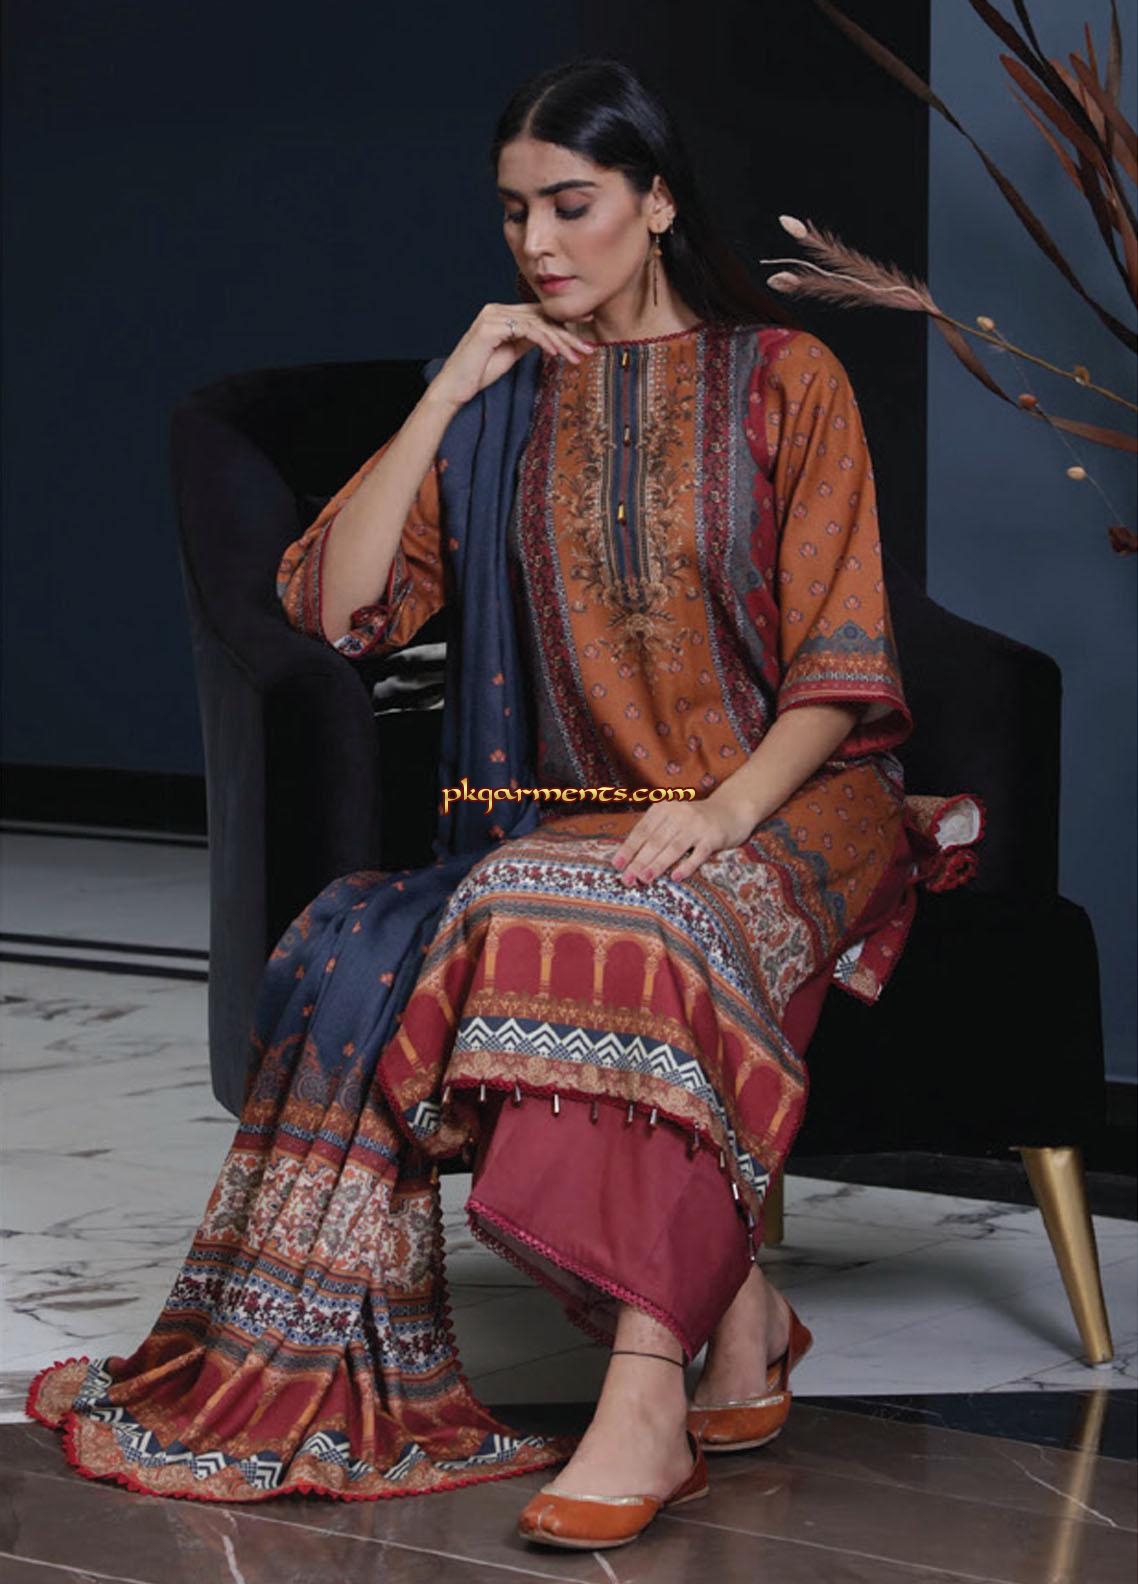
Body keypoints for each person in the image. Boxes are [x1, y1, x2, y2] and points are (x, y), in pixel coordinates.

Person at [27, 57, 983, 1549]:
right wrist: (443, 398)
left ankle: (645, 1394)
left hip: (801, 796)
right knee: (533, 899)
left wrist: (725, 814)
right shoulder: (502, 403)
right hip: (580, 810)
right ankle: (732, 1315)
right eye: (513, 212)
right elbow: (336, 612)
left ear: (655, 203)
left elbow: (841, 664)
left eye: (572, 204)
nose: (538, 242)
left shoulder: (785, 378)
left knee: (638, 920)